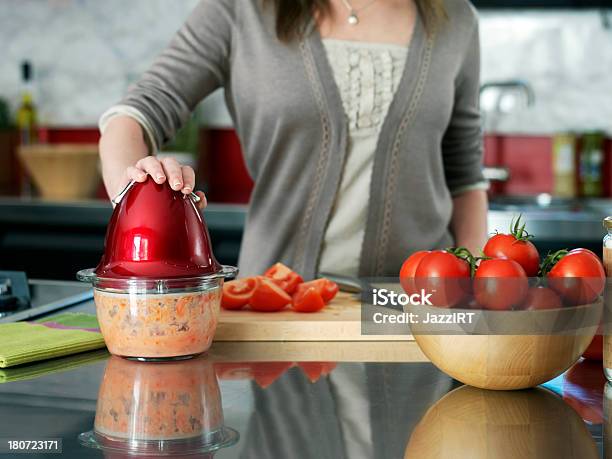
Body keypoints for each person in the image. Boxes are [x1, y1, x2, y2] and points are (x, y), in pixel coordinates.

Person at [98, 0, 488, 279]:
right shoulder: (239, 11)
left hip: (413, 309)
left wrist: (473, 286)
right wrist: (134, 196)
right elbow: (136, 113)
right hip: (275, 303)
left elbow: (465, 175)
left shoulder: (456, 19)